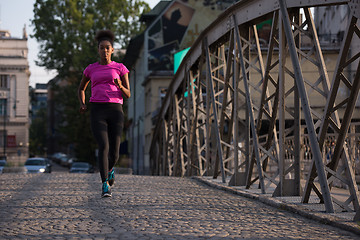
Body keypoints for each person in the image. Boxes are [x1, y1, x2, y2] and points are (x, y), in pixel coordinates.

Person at [78, 30, 131, 198]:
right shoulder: (91, 69)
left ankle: (110, 170)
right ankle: (104, 184)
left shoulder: (120, 68)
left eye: (108, 48)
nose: (105, 51)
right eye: (102, 48)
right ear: (98, 50)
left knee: (114, 152)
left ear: (113, 50)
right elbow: (81, 88)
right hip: (97, 109)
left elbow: (128, 93)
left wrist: (120, 85)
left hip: (116, 110)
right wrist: (82, 103)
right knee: (103, 146)